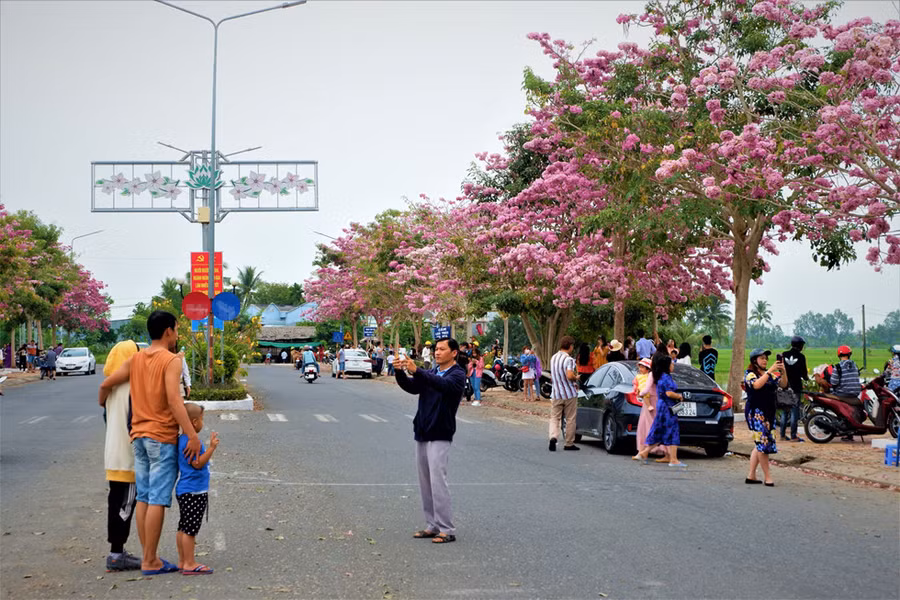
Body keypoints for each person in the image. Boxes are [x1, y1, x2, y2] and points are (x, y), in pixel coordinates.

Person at [98, 310, 202, 576]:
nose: (177, 334)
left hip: (139, 437)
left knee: (143, 497)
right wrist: (191, 434)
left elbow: (106, 384)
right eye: (176, 329)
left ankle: (149, 558)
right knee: (157, 499)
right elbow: (173, 400)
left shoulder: (136, 358)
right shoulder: (171, 360)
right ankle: (150, 561)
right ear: (168, 330)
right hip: (161, 437)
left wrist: (104, 403)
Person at [395, 338, 466, 544]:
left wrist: (417, 370)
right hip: (423, 430)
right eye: (436, 349)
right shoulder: (432, 372)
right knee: (425, 482)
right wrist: (400, 371)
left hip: (440, 431)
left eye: (442, 349)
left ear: (454, 353)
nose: (437, 352)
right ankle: (432, 525)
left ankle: (447, 528)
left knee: (438, 481)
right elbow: (412, 387)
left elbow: (443, 386)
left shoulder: (457, 374)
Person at [102, 340, 142, 571]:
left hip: (113, 456)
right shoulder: (132, 387)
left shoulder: (111, 388)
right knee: (124, 507)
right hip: (128, 459)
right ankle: (116, 555)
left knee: (116, 502)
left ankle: (117, 551)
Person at [176, 403, 219, 575]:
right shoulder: (192, 442)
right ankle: (190, 563)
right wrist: (211, 448)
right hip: (194, 491)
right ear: (194, 422)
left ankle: (182, 560)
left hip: (184, 490)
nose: (203, 423)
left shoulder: (181, 439)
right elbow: (198, 463)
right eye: (202, 419)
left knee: (183, 527)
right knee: (190, 529)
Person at [743, 349, 786, 486]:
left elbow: (783, 384)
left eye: (766, 358)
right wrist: (770, 371)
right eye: (761, 358)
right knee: (763, 445)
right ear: (754, 360)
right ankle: (768, 477)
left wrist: (783, 371)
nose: (765, 360)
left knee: (760, 444)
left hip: (769, 413)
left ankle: (751, 475)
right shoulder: (750, 374)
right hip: (757, 413)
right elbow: (756, 385)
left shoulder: (771, 375)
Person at [633, 355, 686, 467]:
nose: (673, 366)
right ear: (666, 366)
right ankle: (673, 459)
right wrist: (679, 396)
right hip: (668, 406)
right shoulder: (666, 377)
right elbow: (669, 393)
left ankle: (644, 452)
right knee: (672, 430)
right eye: (671, 364)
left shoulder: (659, 376)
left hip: (661, 405)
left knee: (660, 430)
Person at [549, 336, 580, 452]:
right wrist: (576, 377)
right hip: (569, 393)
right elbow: (569, 375)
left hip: (556, 393)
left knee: (554, 418)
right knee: (570, 418)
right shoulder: (569, 360)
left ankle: (553, 437)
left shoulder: (553, 358)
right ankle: (569, 443)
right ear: (570, 346)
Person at [634, 358, 666, 460]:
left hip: (649, 401)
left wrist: (640, 394)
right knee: (656, 425)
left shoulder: (651, 375)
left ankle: (643, 450)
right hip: (658, 401)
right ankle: (662, 450)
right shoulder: (662, 375)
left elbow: (646, 389)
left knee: (645, 425)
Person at [780, 336, 808, 442]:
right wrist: (807, 379)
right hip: (795, 387)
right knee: (794, 411)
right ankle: (793, 436)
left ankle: (782, 435)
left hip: (784, 386)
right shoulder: (801, 357)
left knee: (784, 411)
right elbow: (804, 374)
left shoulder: (784, 355)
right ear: (800, 345)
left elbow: (780, 369)